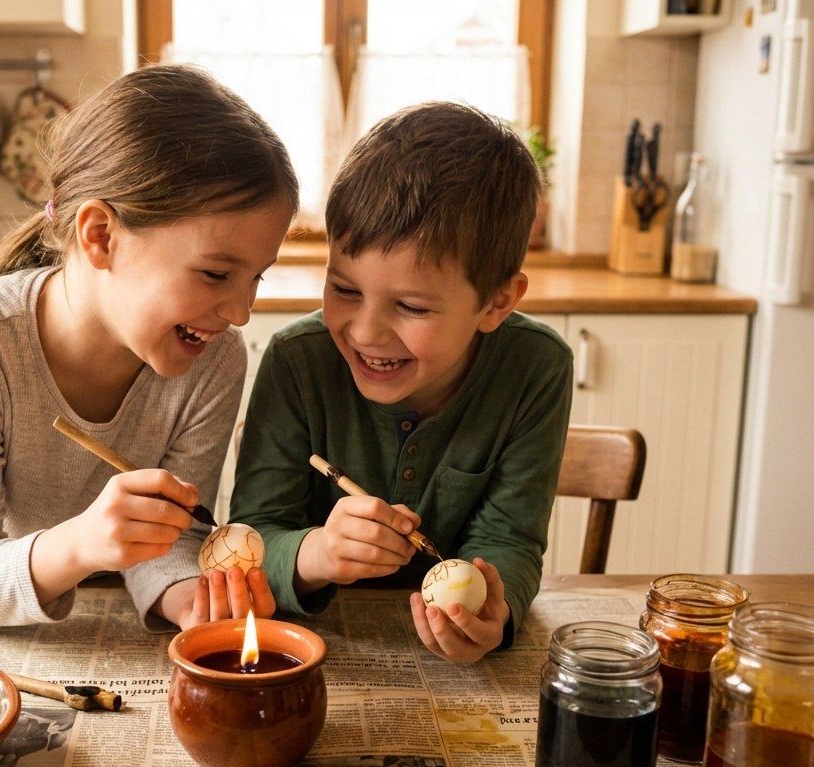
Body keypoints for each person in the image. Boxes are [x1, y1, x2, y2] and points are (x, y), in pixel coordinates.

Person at [0, 64, 298, 632]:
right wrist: (81, 543)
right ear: (100, 235)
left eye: (257, 278)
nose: (240, 312)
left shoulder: (213, 359)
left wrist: (185, 600)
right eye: (216, 273)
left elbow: (178, 537)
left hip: (95, 609)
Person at [230, 102, 572, 662]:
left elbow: (509, 542)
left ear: (497, 301)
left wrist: (492, 613)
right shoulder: (299, 360)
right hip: (319, 647)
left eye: (411, 306)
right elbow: (250, 537)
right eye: (343, 289)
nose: (365, 331)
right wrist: (318, 553)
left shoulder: (537, 368)